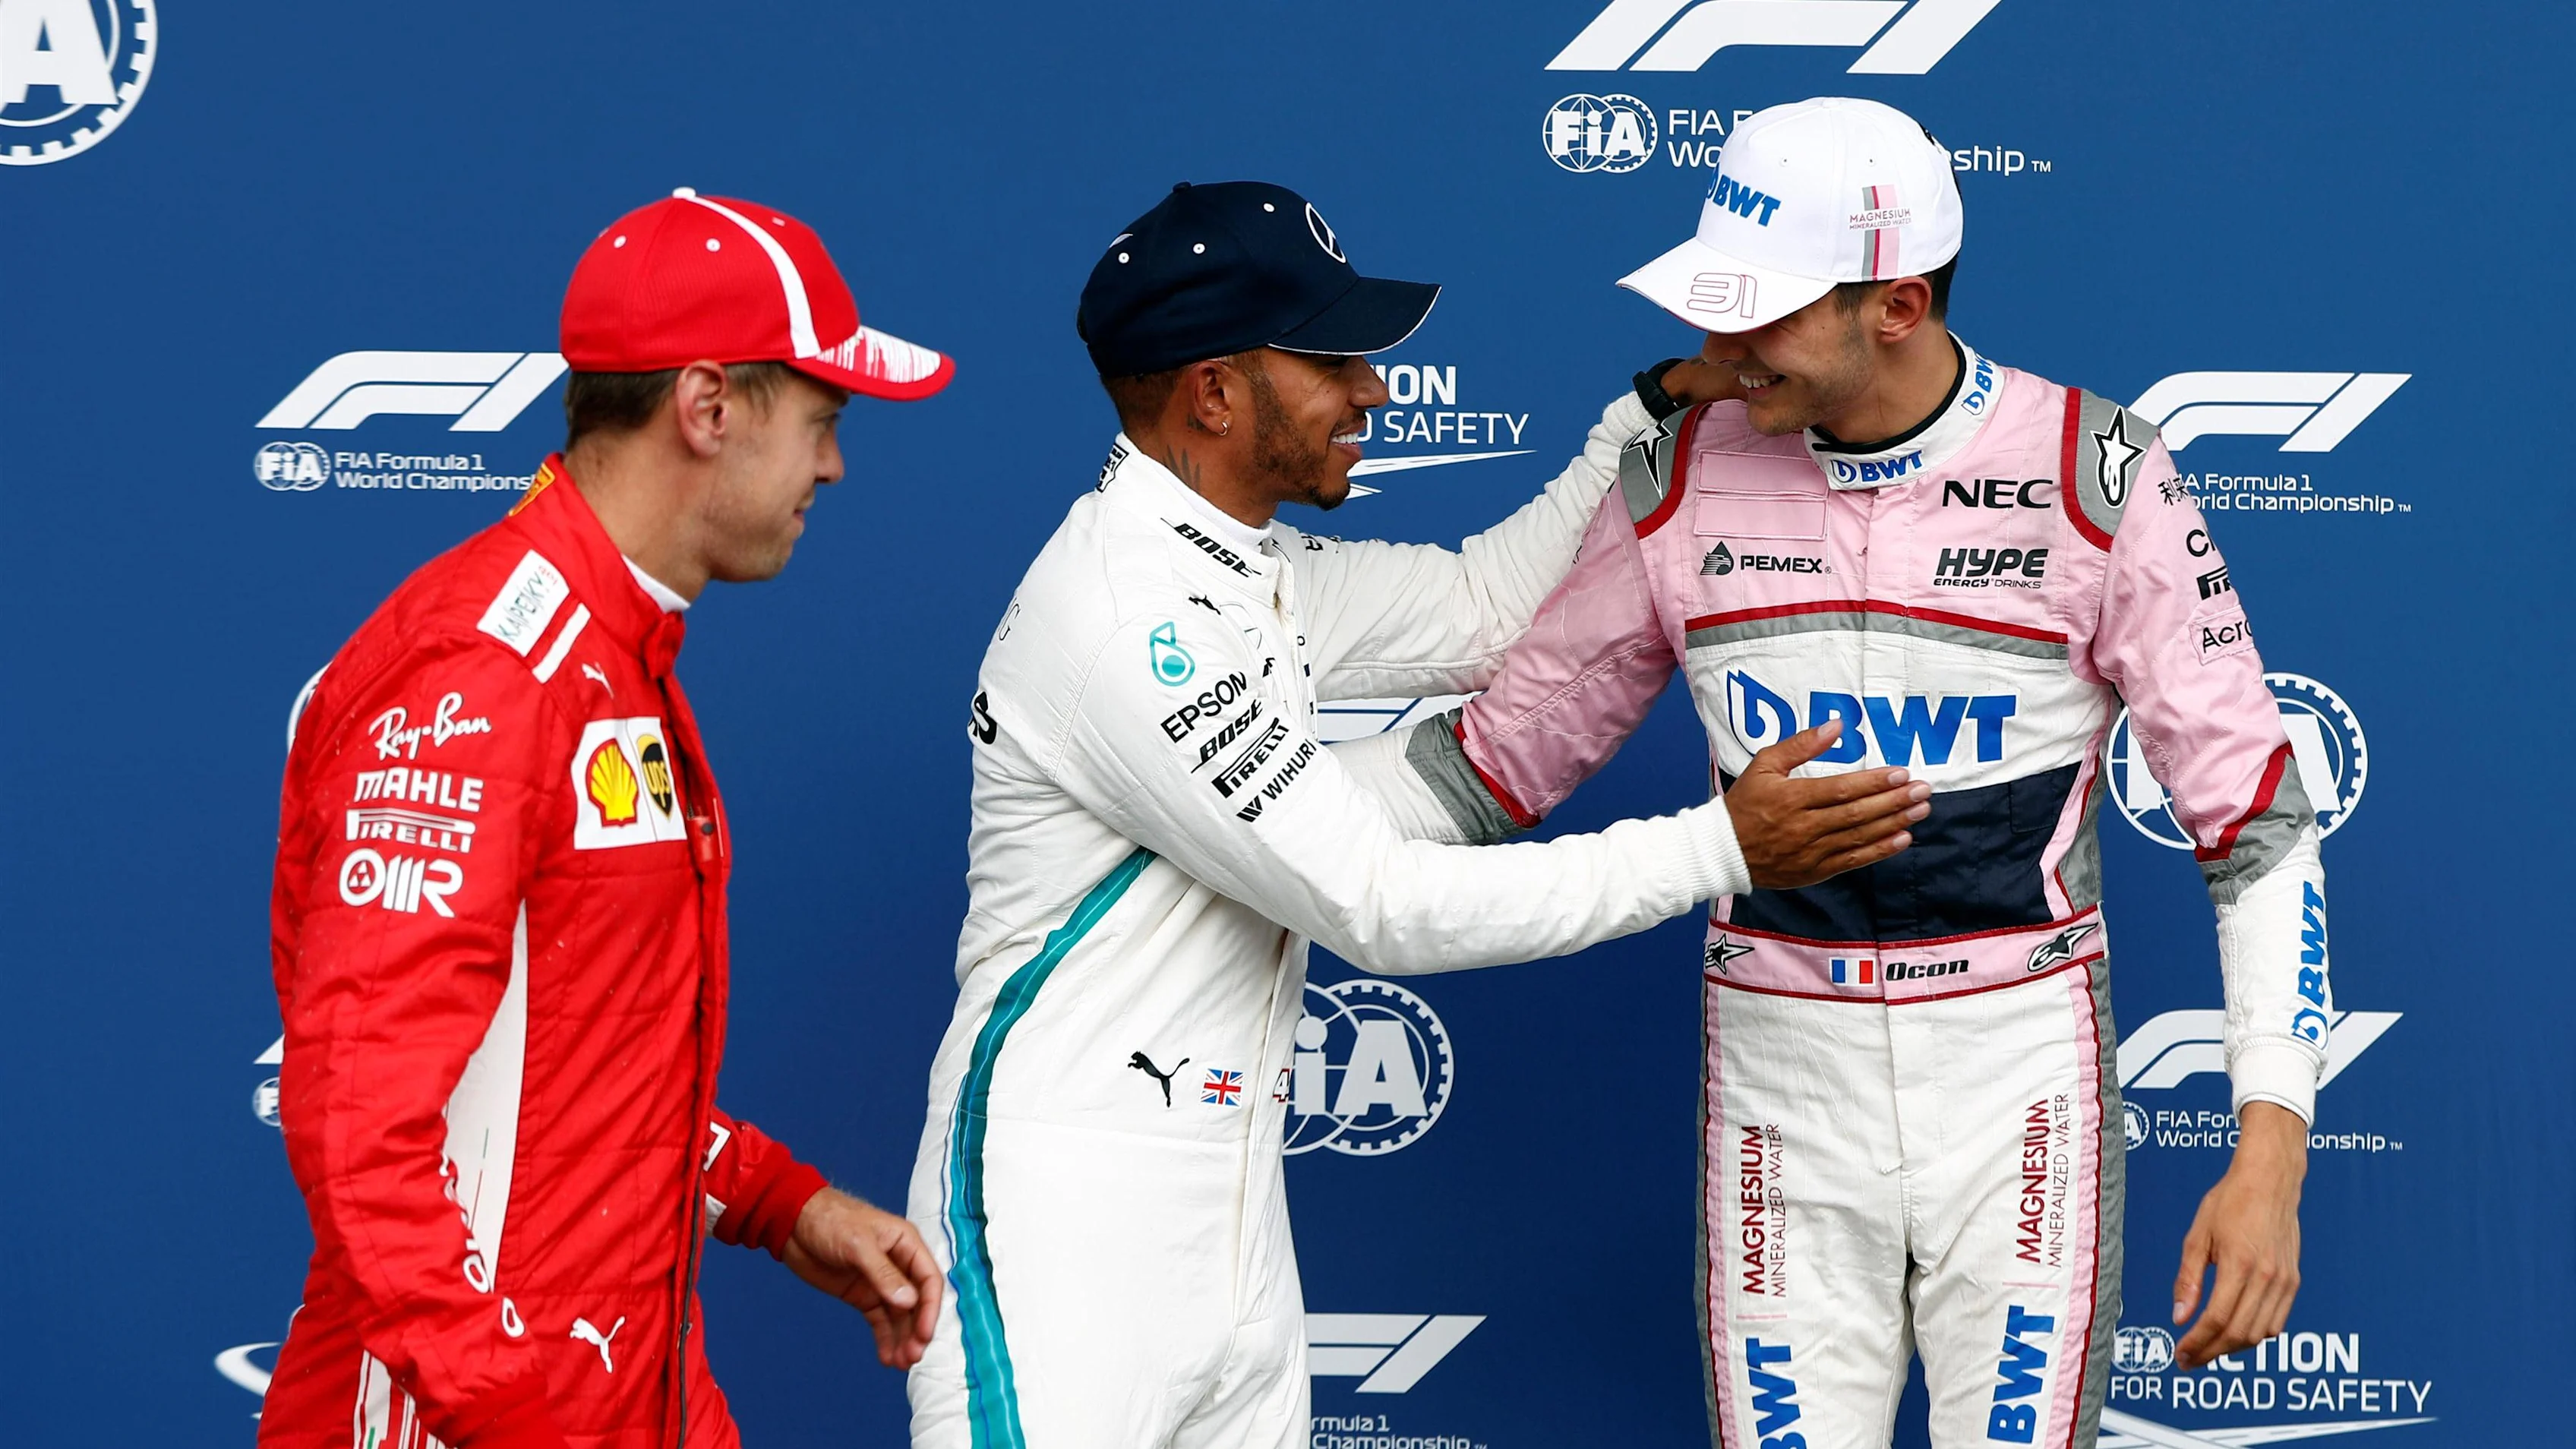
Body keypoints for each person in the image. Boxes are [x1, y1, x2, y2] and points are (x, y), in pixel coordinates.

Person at [902, 180, 1930, 1449]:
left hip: (1227, 1214)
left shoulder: (1248, 565)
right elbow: (1383, 907)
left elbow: (1489, 609)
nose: (1374, 391)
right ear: (1214, 393)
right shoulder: (1131, 615)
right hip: (1063, 1225)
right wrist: (1718, 847)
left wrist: (1648, 413)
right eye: (1332, 360)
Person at [1376, 98, 2333, 1447]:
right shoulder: (1676, 475)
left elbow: (2256, 825)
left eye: (1759, 314)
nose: (1717, 351)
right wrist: (1211, 817)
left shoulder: (2097, 474)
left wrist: (2272, 1151)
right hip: (1783, 1079)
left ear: (1896, 304)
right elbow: (1493, 767)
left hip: (2018, 1081)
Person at [264, 189, 953, 1449]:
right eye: (822, 420)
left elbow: (571, 1077)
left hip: (638, 1391)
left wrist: (778, 1203)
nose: (834, 466)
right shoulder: (482, 672)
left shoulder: (612, 651)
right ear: (708, 407)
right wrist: (515, 1415)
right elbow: (361, 1124)